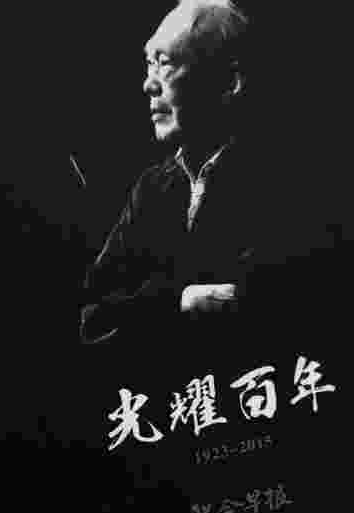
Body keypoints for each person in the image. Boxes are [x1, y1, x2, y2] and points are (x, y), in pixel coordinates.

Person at [80, 0, 257, 344]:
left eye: (165, 64)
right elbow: (92, 316)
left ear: (230, 81)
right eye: (149, 65)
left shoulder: (283, 176)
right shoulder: (150, 188)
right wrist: (179, 300)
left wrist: (142, 307)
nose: (149, 85)